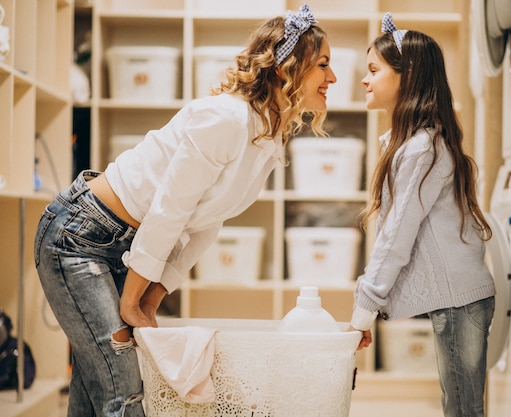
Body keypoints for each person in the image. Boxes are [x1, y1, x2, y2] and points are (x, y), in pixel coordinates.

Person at [34, 4, 336, 416]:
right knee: (124, 393)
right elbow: (169, 209)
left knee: (97, 389)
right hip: (79, 237)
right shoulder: (227, 118)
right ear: (286, 68)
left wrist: (153, 294)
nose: (332, 77)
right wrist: (132, 299)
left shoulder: (267, 137)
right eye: (323, 65)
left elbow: (206, 224)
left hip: (122, 242)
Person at [348, 13, 496, 417]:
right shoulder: (418, 144)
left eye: (374, 70)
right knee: (461, 407)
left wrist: (364, 309)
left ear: (407, 76)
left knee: (463, 410)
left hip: (460, 302)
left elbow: (395, 237)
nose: (365, 79)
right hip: (462, 300)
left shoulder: (420, 149)